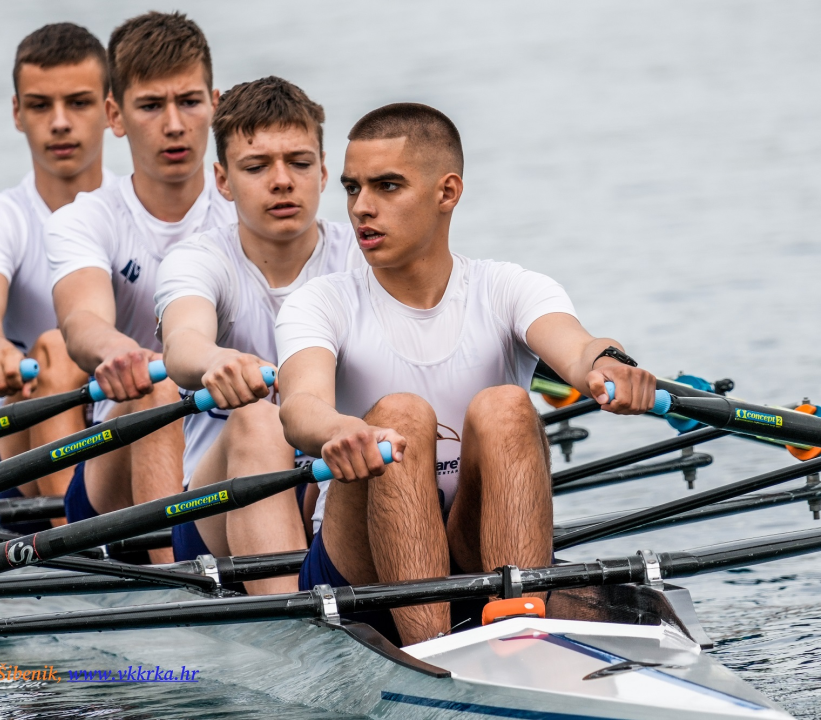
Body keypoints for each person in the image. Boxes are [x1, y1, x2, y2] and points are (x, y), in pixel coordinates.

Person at [275, 103, 658, 645]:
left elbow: (577, 346)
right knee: (398, 416)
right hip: (360, 573)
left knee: (506, 405)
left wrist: (607, 364)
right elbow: (300, 405)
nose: (362, 208)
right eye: (352, 188)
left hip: (481, 546)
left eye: (387, 187)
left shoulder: (508, 287)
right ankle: (435, 655)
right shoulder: (320, 302)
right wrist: (339, 430)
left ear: (447, 192)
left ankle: (522, 630)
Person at [154, 76, 358, 593]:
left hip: (333, 483)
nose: (283, 180)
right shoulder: (198, 260)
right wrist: (214, 361)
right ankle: (295, 633)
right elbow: (182, 341)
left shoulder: (362, 257)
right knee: (257, 419)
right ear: (222, 180)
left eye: (299, 162)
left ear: (324, 170)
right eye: (257, 166)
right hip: (215, 514)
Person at [46, 12, 235, 562]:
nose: (174, 125)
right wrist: (118, 352)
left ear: (215, 105)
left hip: (230, 446)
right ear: (115, 116)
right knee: (158, 388)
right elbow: (82, 322)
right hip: (117, 464)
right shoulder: (86, 219)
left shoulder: (255, 211)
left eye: (190, 102)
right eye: (151, 106)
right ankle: (179, 587)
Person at [0, 23, 115, 524]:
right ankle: (81, 539)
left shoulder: (132, 209)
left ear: (111, 109)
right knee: (54, 348)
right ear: (17, 114)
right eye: (41, 105)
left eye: (79, 103)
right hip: (25, 434)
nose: (60, 123)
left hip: (121, 422)